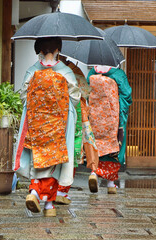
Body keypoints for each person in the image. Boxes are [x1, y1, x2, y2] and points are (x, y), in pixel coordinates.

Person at [14, 37, 81, 216]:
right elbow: (74, 98)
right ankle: (48, 204)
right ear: (58, 49)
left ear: (40, 51)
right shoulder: (66, 72)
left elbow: (23, 96)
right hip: (60, 124)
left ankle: (35, 192)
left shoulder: (32, 71)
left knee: (38, 159)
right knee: (55, 162)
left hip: (36, 125)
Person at [55, 57, 99, 204]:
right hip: (77, 113)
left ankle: (54, 189)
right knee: (75, 148)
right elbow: (85, 93)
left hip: (56, 113)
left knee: (57, 150)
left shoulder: (52, 70)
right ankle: (64, 189)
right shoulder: (75, 71)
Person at [86, 65, 132, 194]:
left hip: (95, 116)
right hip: (113, 116)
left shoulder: (91, 73)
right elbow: (126, 94)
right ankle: (111, 183)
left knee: (96, 144)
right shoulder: (118, 74)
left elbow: (86, 90)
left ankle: (94, 173)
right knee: (114, 147)